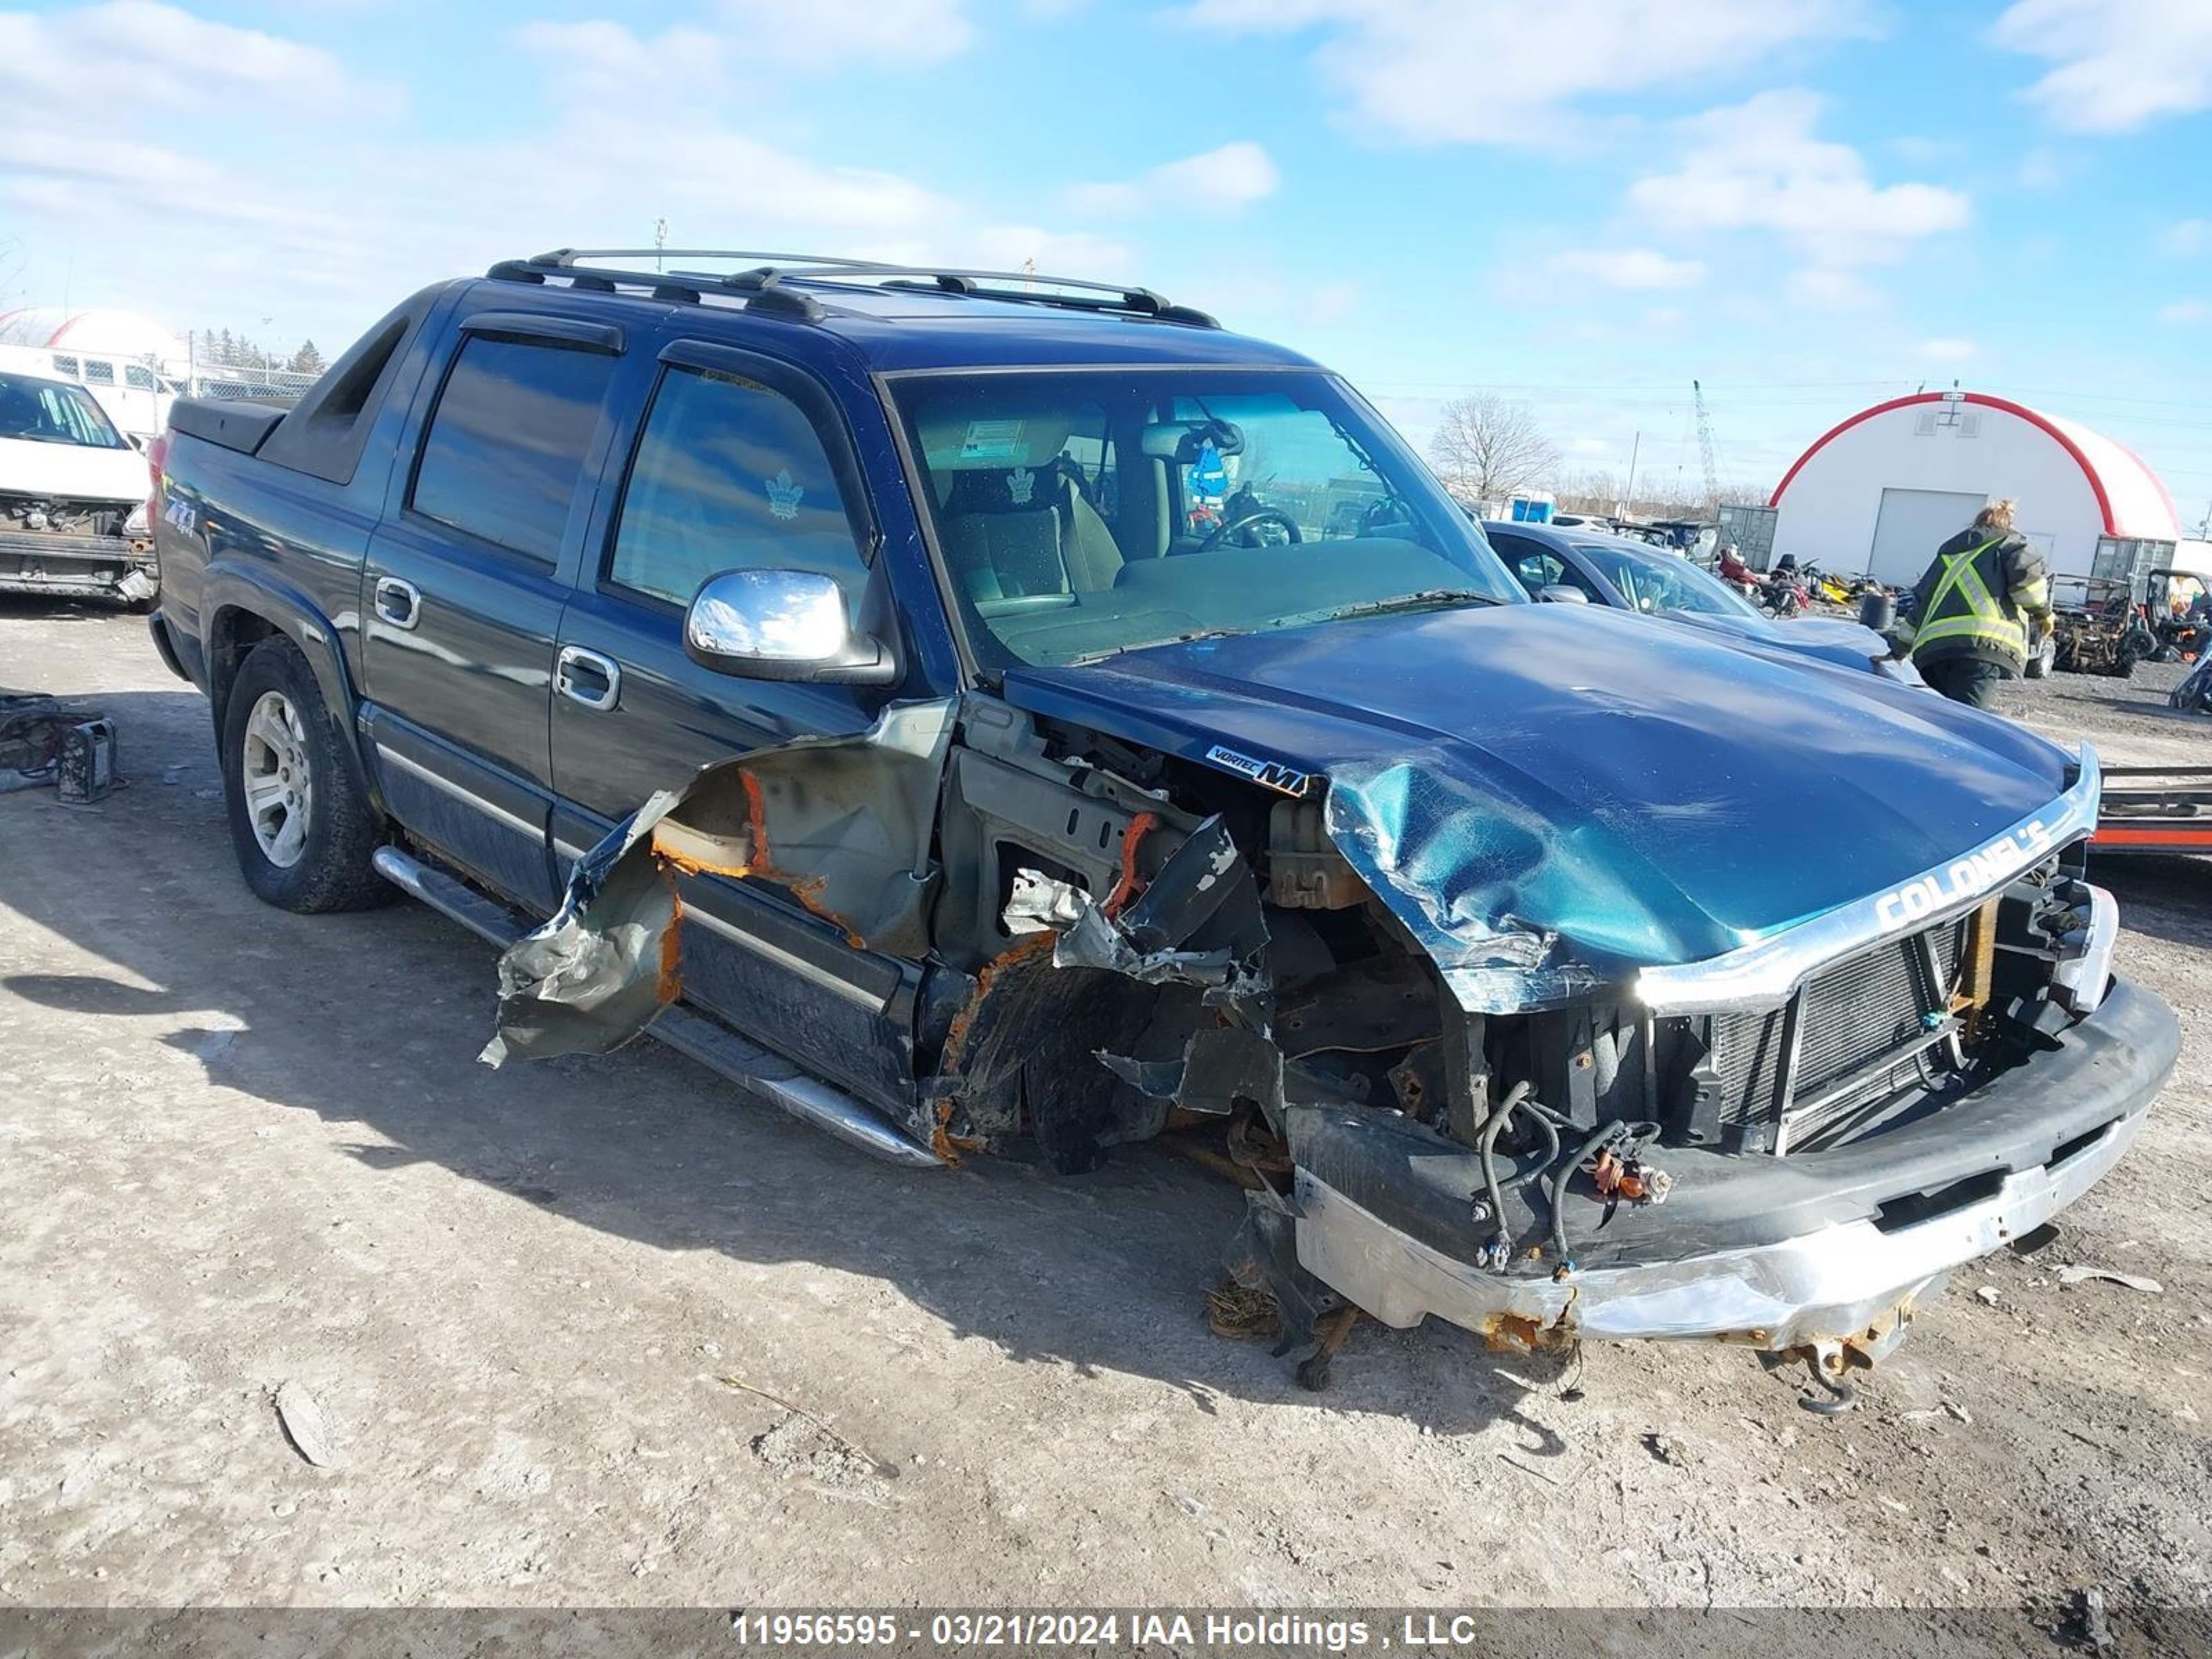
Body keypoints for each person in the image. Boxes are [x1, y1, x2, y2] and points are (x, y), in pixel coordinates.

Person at [1900, 498, 2051, 709]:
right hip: (1979, 650)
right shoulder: (2012, 544)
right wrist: (2044, 614)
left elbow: (1919, 604)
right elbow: (2028, 591)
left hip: (1933, 655)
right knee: (1968, 725)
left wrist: (1898, 650)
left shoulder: (1948, 553)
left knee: (1943, 721)